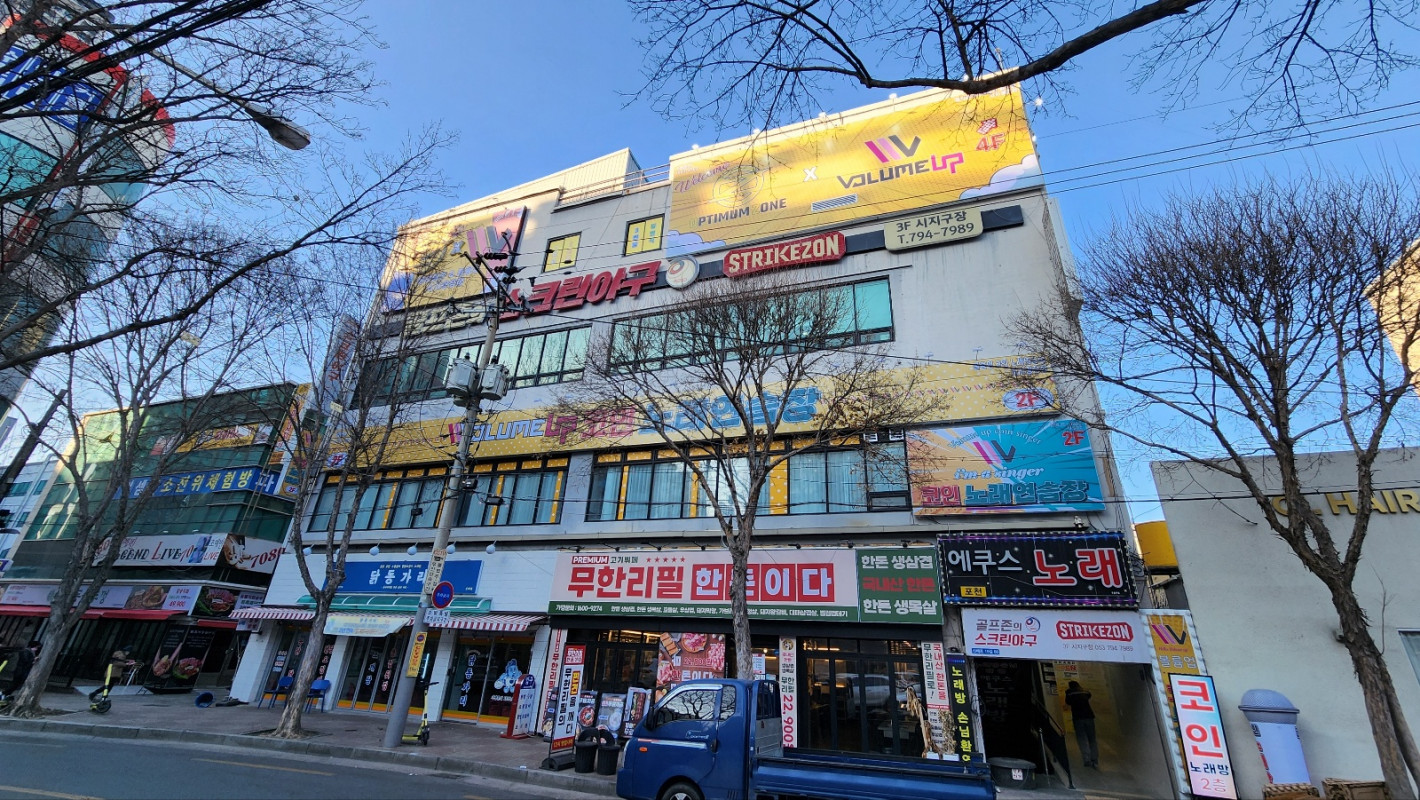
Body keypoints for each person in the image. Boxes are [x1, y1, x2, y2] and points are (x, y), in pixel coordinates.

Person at [1065, 680, 1099, 768]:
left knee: (1082, 739)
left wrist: (1067, 692)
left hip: (1078, 718)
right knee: (1092, 739)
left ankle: (1087, 759)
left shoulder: (1070, 692)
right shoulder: (1085, 691)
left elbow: (1068, 702)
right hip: (1089, 717)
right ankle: (1095, 759)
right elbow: (1089, 695)